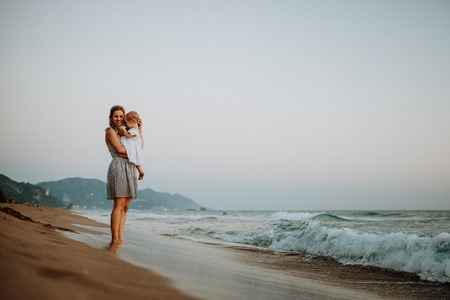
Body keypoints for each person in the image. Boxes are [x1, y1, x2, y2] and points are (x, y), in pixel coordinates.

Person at [105, 105, 143, 249]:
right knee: (118, 205)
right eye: (116, 116)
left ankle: (121, 237)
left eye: (121, 116)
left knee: (125, 207)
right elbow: (120, 151)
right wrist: (136, 153)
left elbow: (140, 146)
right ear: (111, 118)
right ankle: (115, 239)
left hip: (130, 167)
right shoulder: (110, 132)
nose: (119, 119)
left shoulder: (127, 131)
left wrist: (139, 130)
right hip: (119, 167)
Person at [121, 111, 145, 180]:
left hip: (133, 145)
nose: (126, 125)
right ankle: (140, 171)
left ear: (131, 121)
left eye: (126, 122)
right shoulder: (137, 130)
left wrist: (123, 130)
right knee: (137, 160)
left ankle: (141, 171)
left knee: (134, 157)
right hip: (136, 145)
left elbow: (128, 136)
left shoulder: (133, 130)